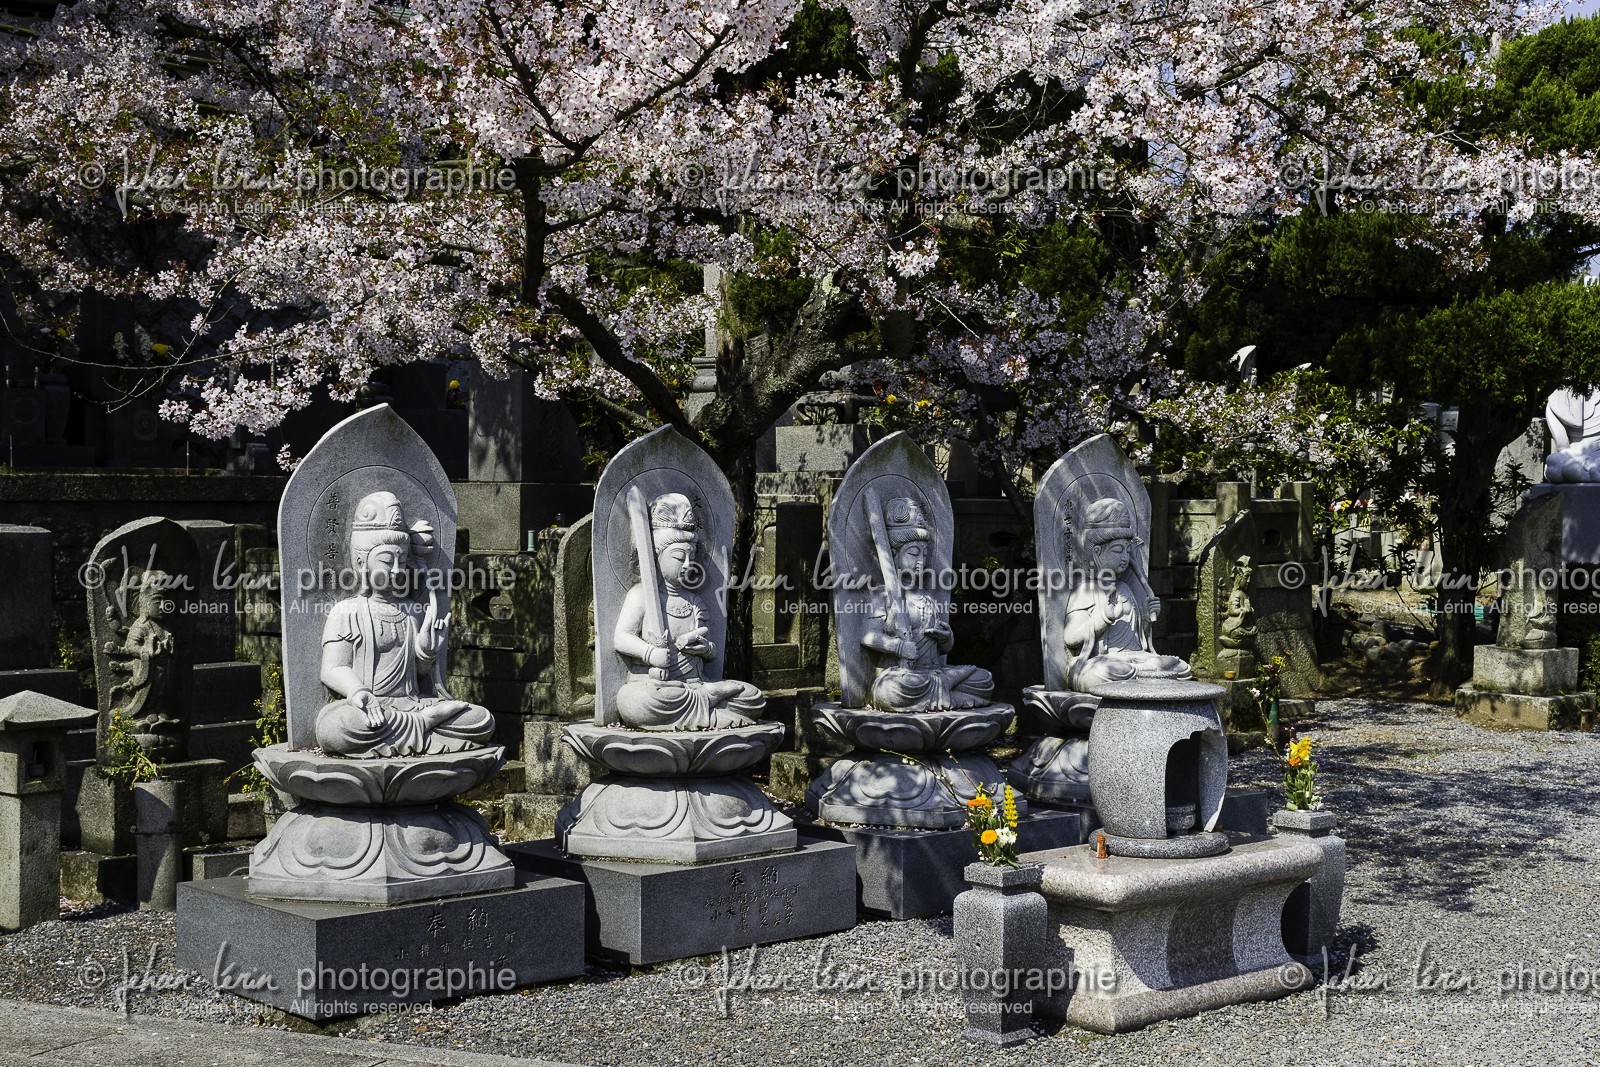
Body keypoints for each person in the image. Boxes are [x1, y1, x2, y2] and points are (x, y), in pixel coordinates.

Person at [316, 491, 495, 757]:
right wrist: (357, 691)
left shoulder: (412, 610)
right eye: (387, 562)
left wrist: (427, 651)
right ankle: (424, 725)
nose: (397, 570)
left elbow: (421, 674)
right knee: (334, 728)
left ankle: (418, 724)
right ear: (361, 562)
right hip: (367, 707)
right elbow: (332, 668)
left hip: (411, 704)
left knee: (482, 720)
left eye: (402, 561)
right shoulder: (347, 611)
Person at [613, 493, 765, 730]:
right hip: (653, 685)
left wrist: (705, 649)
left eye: (690, 557)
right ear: (657, 557)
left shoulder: (693, 601)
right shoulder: (642, 594)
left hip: (696, 682)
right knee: (634, 702)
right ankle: (708, 707)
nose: (686, 564)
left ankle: (704, 701)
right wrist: (650, 653)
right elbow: (621, 637)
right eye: (678, 557)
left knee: (752, 696)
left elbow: (708, 650)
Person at [861, 496, 994, 712]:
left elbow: (943, 649)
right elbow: (868, 636)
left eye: (924, 553)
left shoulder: (928, 598)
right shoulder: (885, 595)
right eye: (913, 553)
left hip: (934, 672)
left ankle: (940, 693)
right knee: (891, 691)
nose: (920, 561)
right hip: (903, 676)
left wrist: (946, 637)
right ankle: (946, 695)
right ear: (894, 555)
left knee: (983, 679)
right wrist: (898, 646)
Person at [1062, 497, 1192, 689]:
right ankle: (1143, 679)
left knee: (1180, 667)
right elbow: (1071, 637)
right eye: (1117, 550)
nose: (1124, 557)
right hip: (1105, 661)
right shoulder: (1086, 590)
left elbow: (1139, 641)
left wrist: (1146, 620)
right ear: (1097, 552)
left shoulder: (1125, 588)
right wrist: (1103, 618)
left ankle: (1142, 677)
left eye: (1127, 551)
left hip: (1135, 659)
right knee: (1098, 674)